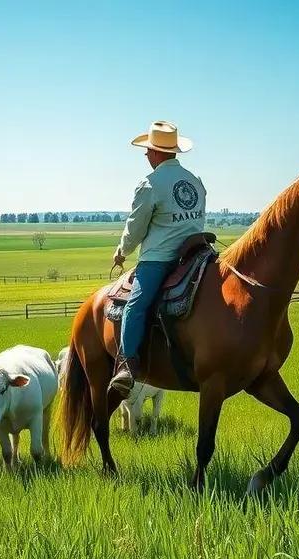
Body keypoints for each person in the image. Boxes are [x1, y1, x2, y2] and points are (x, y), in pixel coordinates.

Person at [109, 120, 207, 396]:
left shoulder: (150, 184)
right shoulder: (194, 181)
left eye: (148, 150)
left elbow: (136, 227)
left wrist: (121, 252)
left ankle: (127, 365)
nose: (146, 155)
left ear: (155, 152)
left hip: (160, 259)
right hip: (197, 254)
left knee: (135, 305)